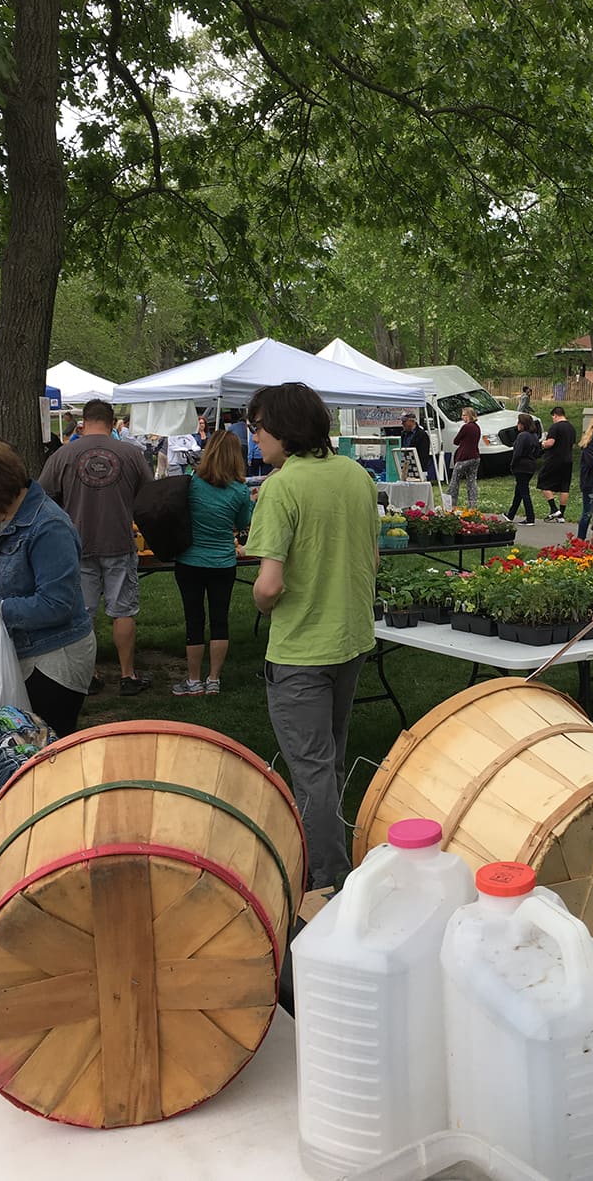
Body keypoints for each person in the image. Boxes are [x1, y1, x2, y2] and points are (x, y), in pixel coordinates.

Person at [244, 382, 379, 891]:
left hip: (301, 649)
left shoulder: (282, 486)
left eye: (257, 428)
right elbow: (372, 558)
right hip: (351, 639)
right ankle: (333, 861)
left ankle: (326, 881)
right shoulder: (357, 475)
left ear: (283, 428)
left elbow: (269, 585)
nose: (253, 437)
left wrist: (261, 601)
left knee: (312, 771)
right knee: (330, 760)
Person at [0, 433, 95, 737]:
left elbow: (56, 605)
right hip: (11, 654)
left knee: (44, 750)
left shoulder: (49, 526)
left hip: (51, 662)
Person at [39, 397, 152, 696]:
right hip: (119, 541)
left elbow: (42, 496)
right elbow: (149, 496)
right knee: (123, 610)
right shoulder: (131, 453)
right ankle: (128, 676)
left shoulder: (64, 454)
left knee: (83, 613)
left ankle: (87, 674)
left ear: (84, 422)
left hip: (76, 544)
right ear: (112, 421)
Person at [171, 430, 254, 697]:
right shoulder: (240, 490)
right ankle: (214, 679)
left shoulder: (192, 483)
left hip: (190, 560)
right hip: (223, 561)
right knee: (220, 619)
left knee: (193, 619)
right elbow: (242, 524)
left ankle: (193, 680)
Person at [537, 405, 577, 522]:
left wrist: (543, 444)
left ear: (555, 415)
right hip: (568, 460)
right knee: (564, 487)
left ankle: (554, 509)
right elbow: (572, 445)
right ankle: (561, 515)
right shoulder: (571, 428)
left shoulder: (555, 427)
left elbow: (550, 443)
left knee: (543, 482)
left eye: (553, 417)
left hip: (554, 459)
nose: (553, 419)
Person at [506, 413, 540, 525]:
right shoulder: (534, 435)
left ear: (522, 424)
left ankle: (530, 517)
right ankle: (511, 514)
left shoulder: (522, 436)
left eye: (519, 423)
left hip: (521, 466)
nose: (517, 425)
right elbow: (537, 452)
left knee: (524, 492)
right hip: (530, 465)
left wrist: (512, 464)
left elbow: (517, 453)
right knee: (519, 491)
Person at [447, 406, 481, 508]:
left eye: (464, 415)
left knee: (455, 481)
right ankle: (472, 505)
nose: (462, 417)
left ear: (468, 416)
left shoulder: (466, 427)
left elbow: (456, 441)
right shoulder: (477, 427)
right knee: (472, 482)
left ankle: (452, 504)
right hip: (475, 456)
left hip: (464, 457)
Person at [399, 411, 432, 478]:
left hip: (418, 467)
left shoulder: (422, 435)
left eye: (404, 421)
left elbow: (424, 454)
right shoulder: (403, 434)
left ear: (412, 421)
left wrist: (421, 470)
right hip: (405, 466)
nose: (402, 423)